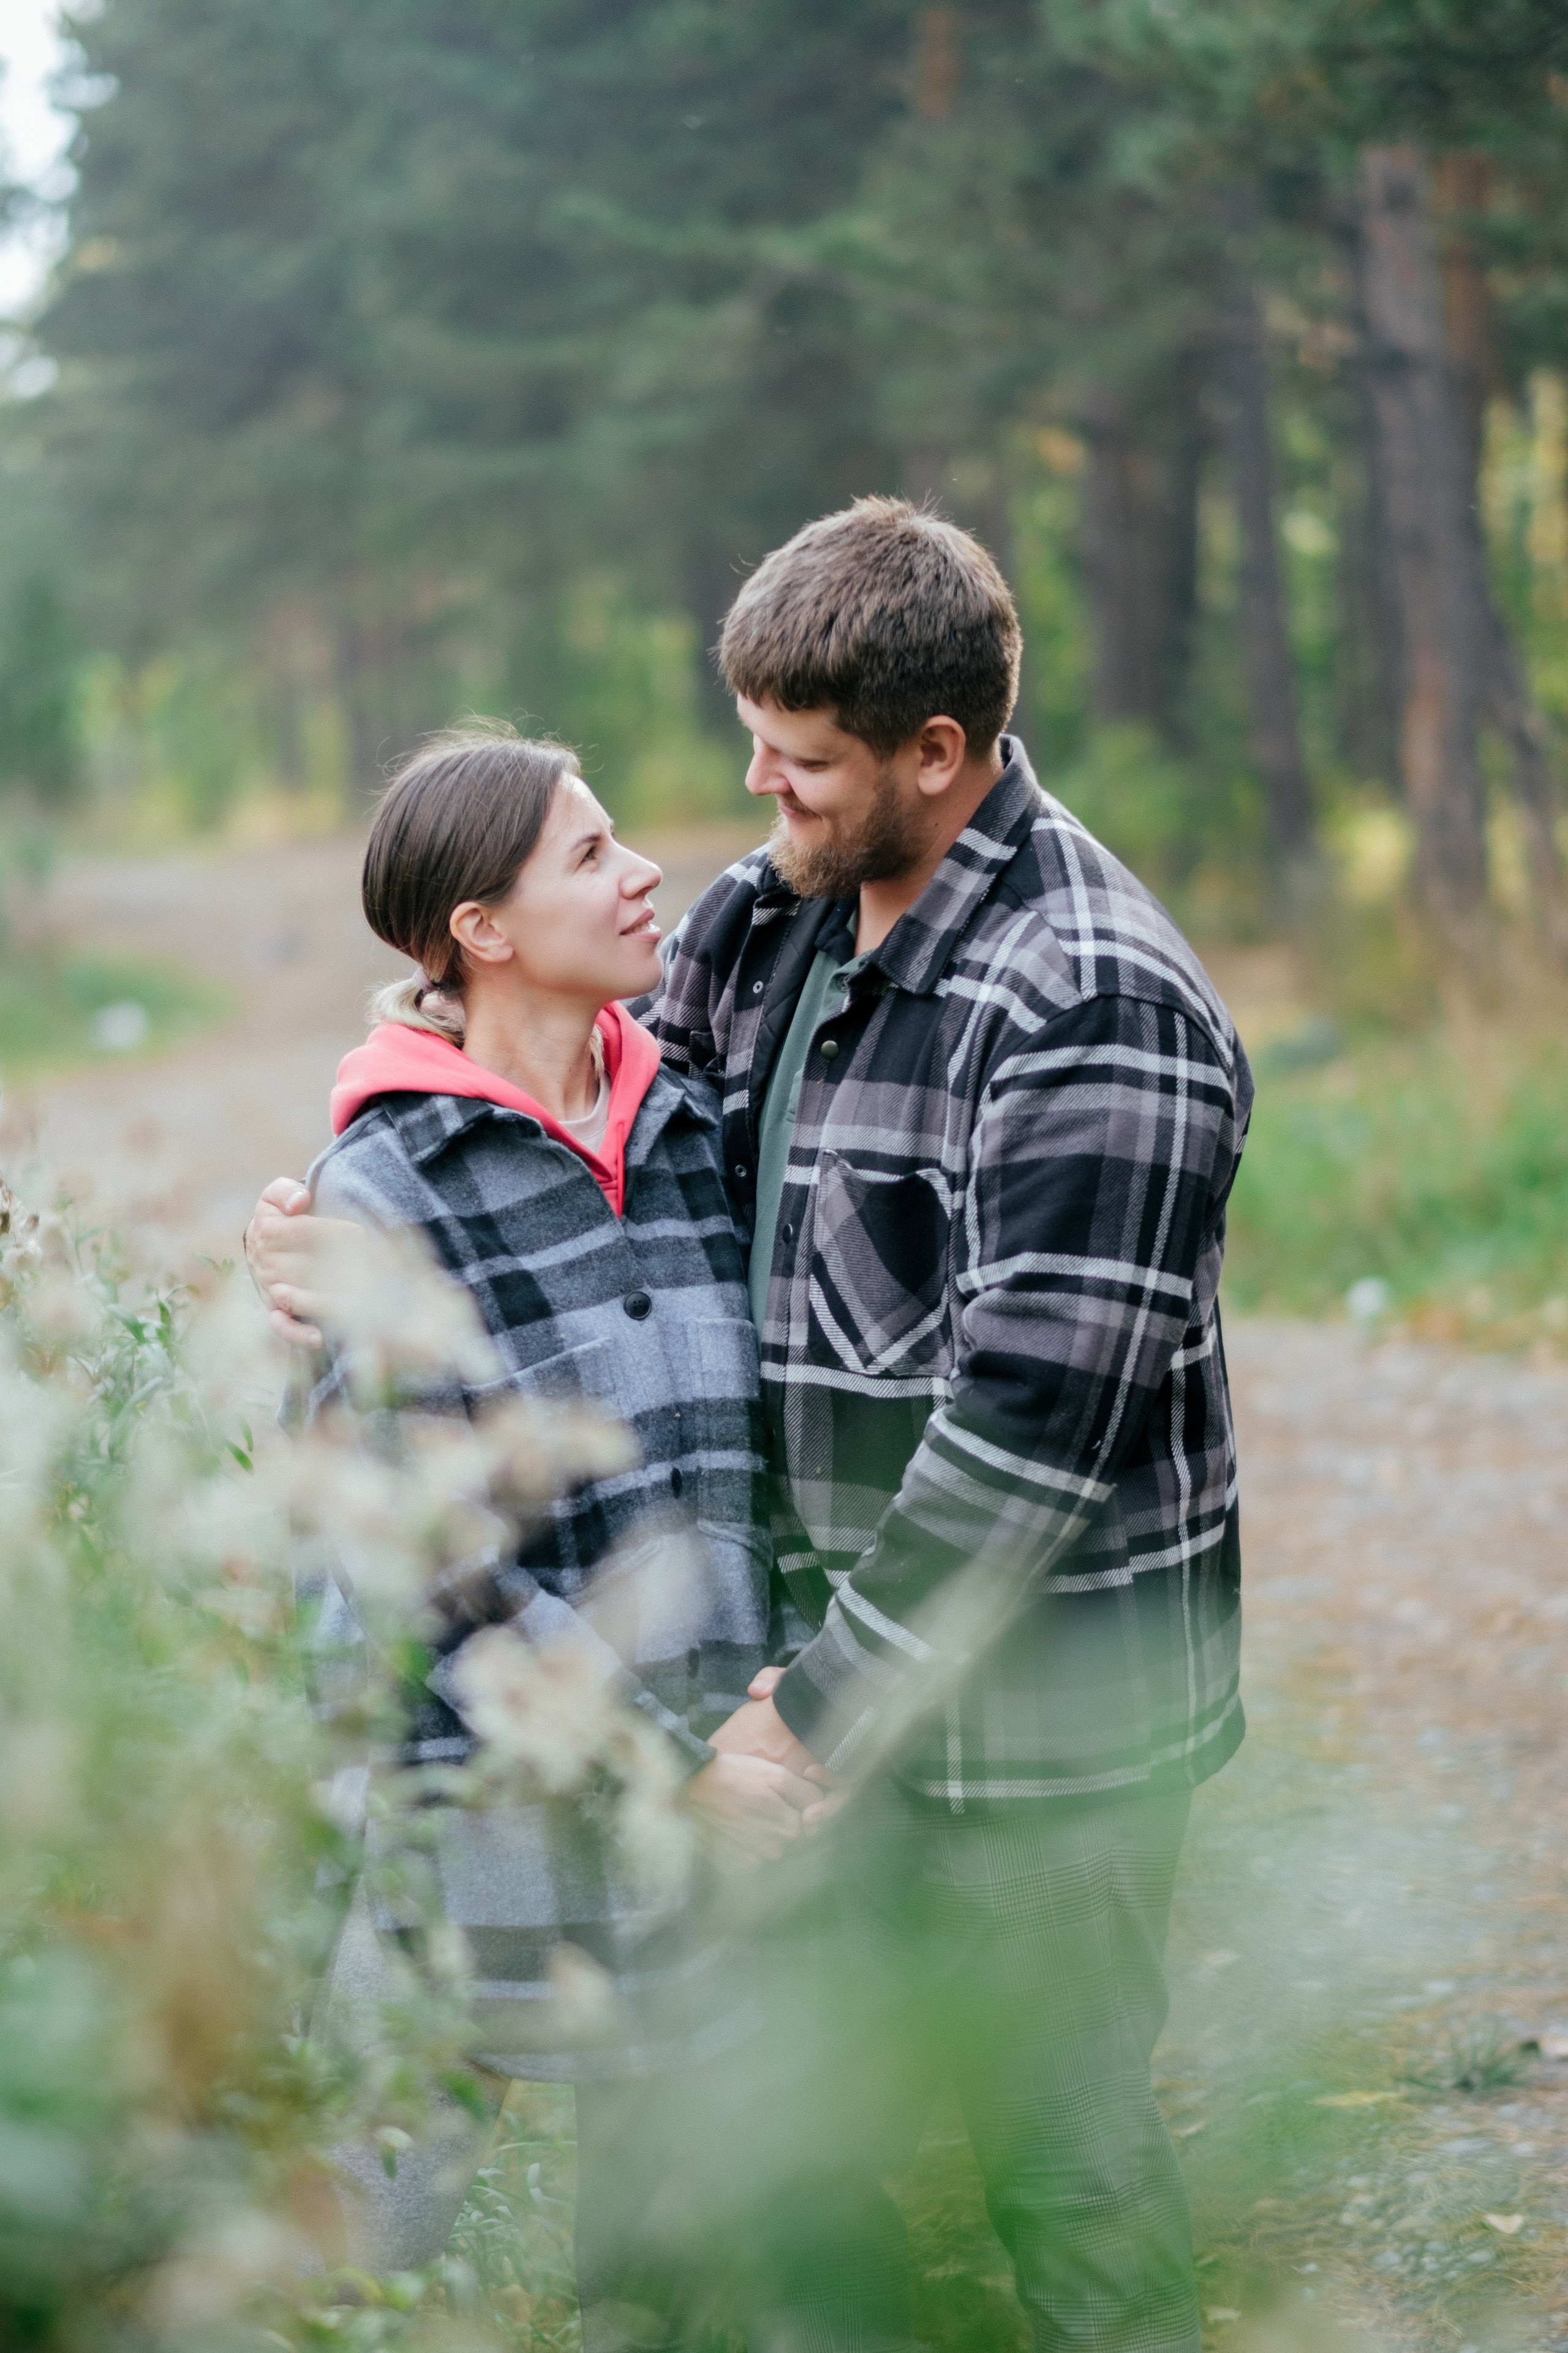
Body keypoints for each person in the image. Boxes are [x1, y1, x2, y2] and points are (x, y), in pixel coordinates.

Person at [251, 497, 1252, 2353]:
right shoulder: (765, 922)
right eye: (756, 746)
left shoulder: (1098, 999)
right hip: (790, 1718)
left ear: (934, 753)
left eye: (800, 762)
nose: (754, 793)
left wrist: (800, 1718)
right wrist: (348, 1201)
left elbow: (1035, 1431)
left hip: (1025, 1734)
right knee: (782, 2171)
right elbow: (585, 1120)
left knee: (1065, 2171)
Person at [285, 724, 826, 2335]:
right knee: (365, 2258)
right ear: (483, 930)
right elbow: (433, 1573)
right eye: (591, 854)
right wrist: (671, 1769)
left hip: (701, 1819)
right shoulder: (385, 1189)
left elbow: (765, 1451)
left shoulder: (695, 1127)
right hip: (482, 1823)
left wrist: (764, 1717)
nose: (645, 871)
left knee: (667, 2275)